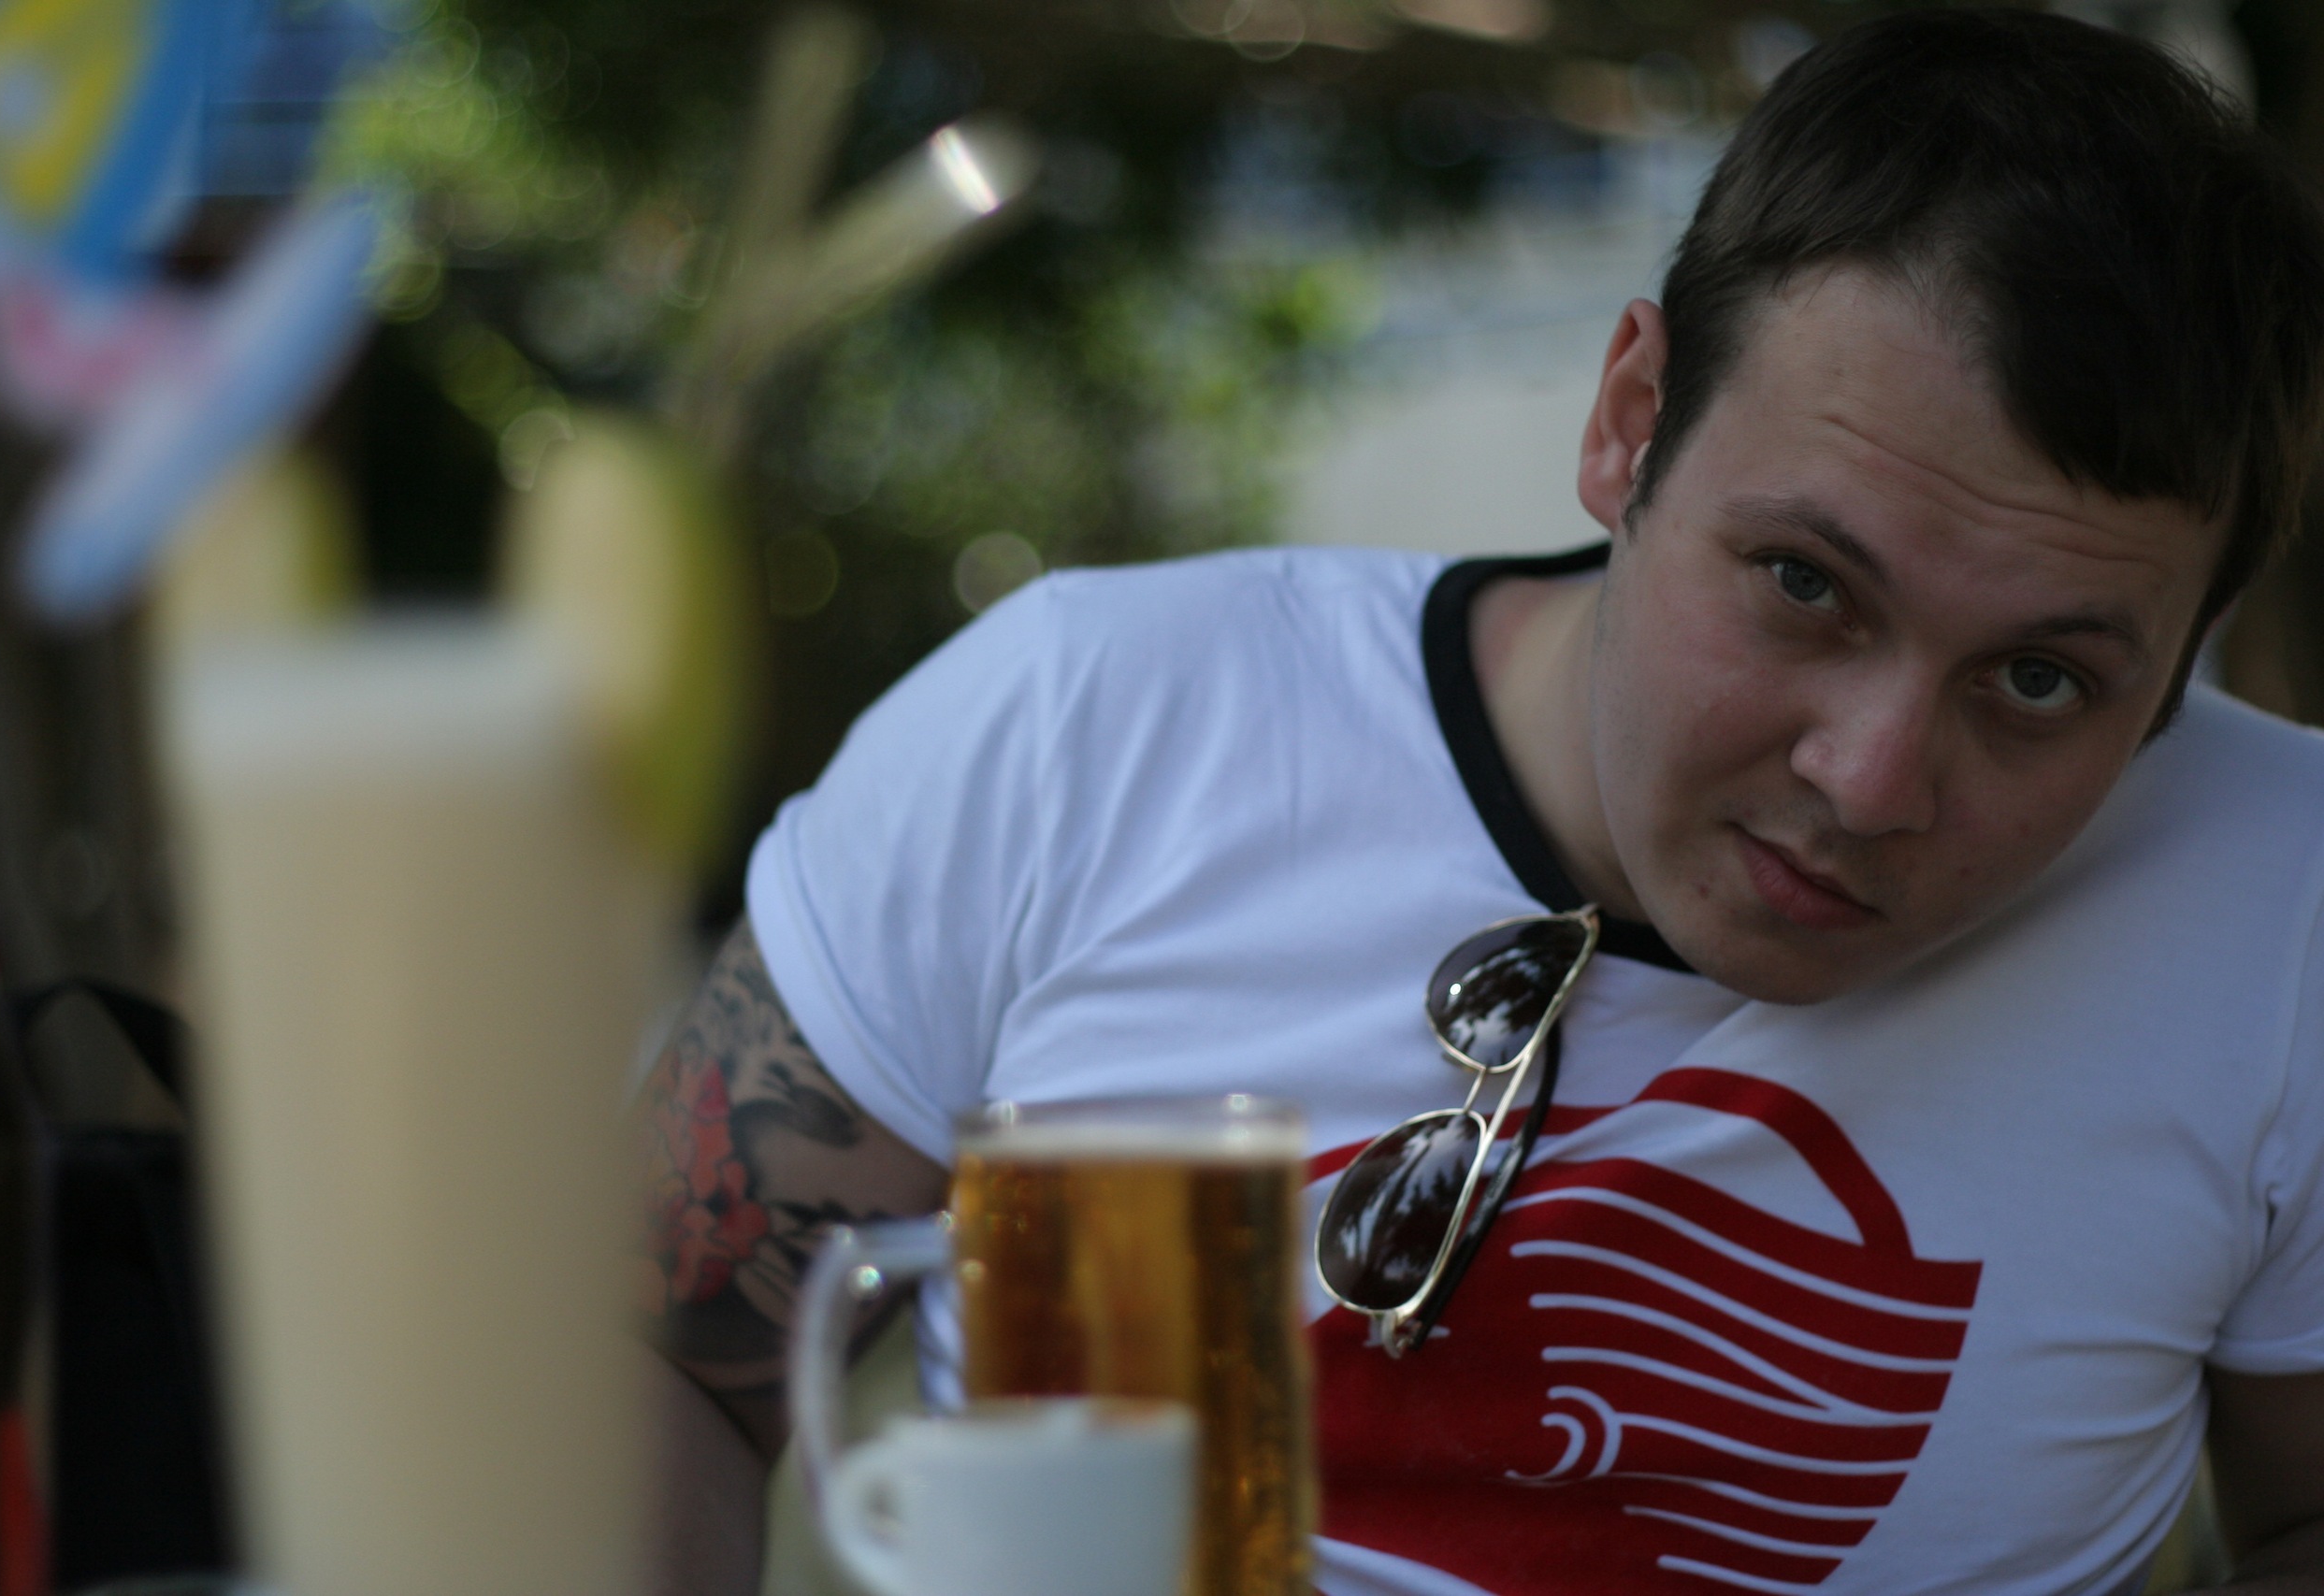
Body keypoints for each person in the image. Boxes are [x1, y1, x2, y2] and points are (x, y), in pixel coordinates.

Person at [636, 9, 2324, 1594]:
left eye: (2039, 681)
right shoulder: (1092, 726)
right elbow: (649, 1355)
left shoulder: (2286, 906)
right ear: (1631, 423)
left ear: (2190, 661)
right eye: (1806, 585)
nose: (1870, 780)